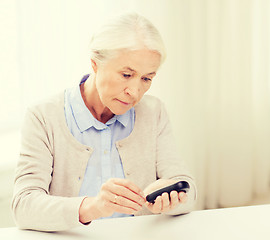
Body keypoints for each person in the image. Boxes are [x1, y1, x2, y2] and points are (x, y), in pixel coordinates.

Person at [11, 12, 197, 232]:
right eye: (127, 74)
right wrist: (93, 207)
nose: (135, 91)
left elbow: (188, 189)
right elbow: (23, 206)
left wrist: (173, 199)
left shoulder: (153, 111)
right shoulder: (43, 116)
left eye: (147, 78)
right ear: (95, 64)